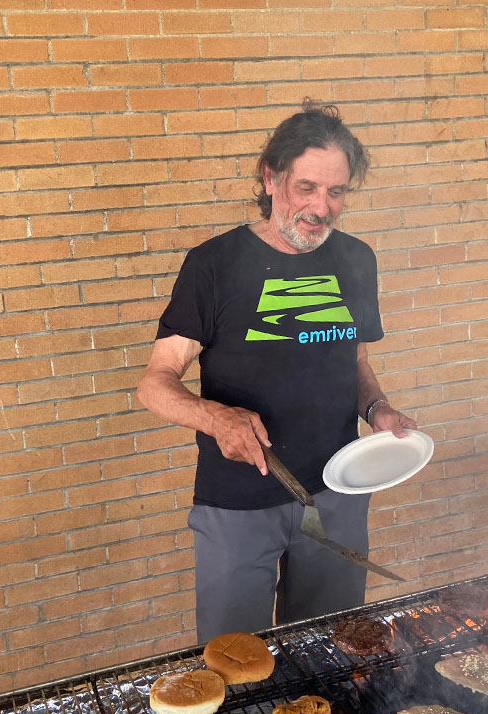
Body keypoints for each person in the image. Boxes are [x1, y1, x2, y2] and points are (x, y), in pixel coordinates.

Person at [137, 103, 416, 640]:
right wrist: (216, 418)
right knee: (234, 663)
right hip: (239, 502)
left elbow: (354, 358)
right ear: (270, 177)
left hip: (339, 490)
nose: (321, 207)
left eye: (336, 192)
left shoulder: (357, 260)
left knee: (332, 653)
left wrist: (377, 409)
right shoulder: (212, 265)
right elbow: (156, 382)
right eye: (306, 187)